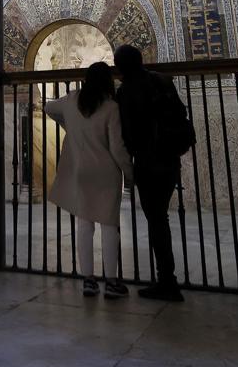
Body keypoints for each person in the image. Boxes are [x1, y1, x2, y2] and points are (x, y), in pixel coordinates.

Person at [44, 62, 133, 298]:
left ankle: (88, 281)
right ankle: (112, 283)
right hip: (106, 173)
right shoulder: (111, 107)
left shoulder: (72, 100)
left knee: (84, 225)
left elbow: (47, 107)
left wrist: (69, 127)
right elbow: (117, 148)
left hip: (80, 172)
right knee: (109, 226)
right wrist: (130, 174)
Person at [115, 44, 190, 302]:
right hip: (171, 159)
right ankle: (167, 279)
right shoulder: (162, 80)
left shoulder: (126, 92)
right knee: (161, 220)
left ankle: (167, 281)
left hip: (148, 163)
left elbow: (126, 134)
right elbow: (181, 113)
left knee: (157, 220)